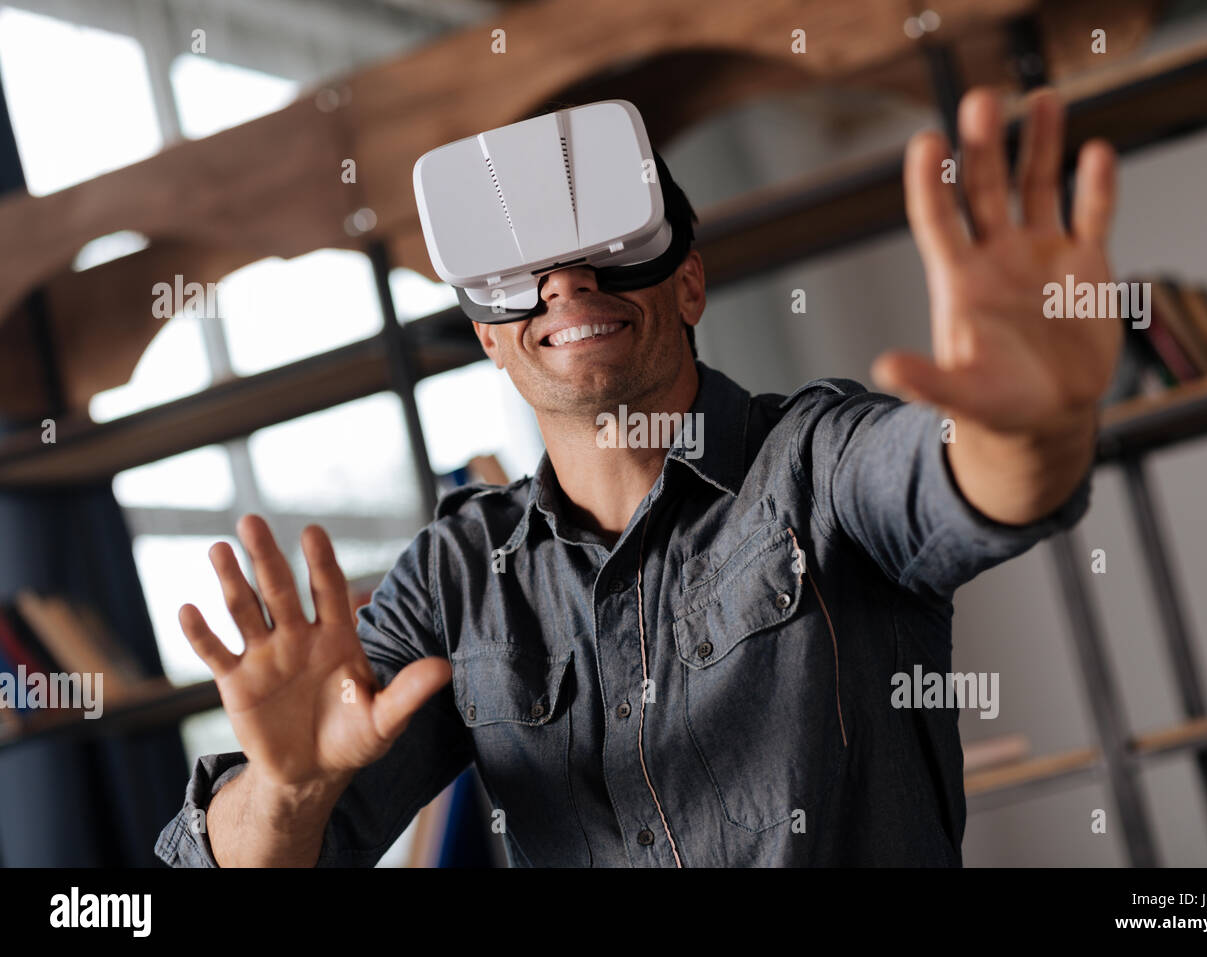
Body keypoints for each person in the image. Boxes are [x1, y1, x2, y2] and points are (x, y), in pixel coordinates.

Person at [155, 86, 1119, 867]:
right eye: (524, 276)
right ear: (491, 336)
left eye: (603, 255)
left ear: (688, 281)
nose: (567, 285)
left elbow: (968, 483)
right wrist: (284, 793)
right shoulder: (457, 580)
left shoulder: (817, 464)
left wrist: (1035, 426)